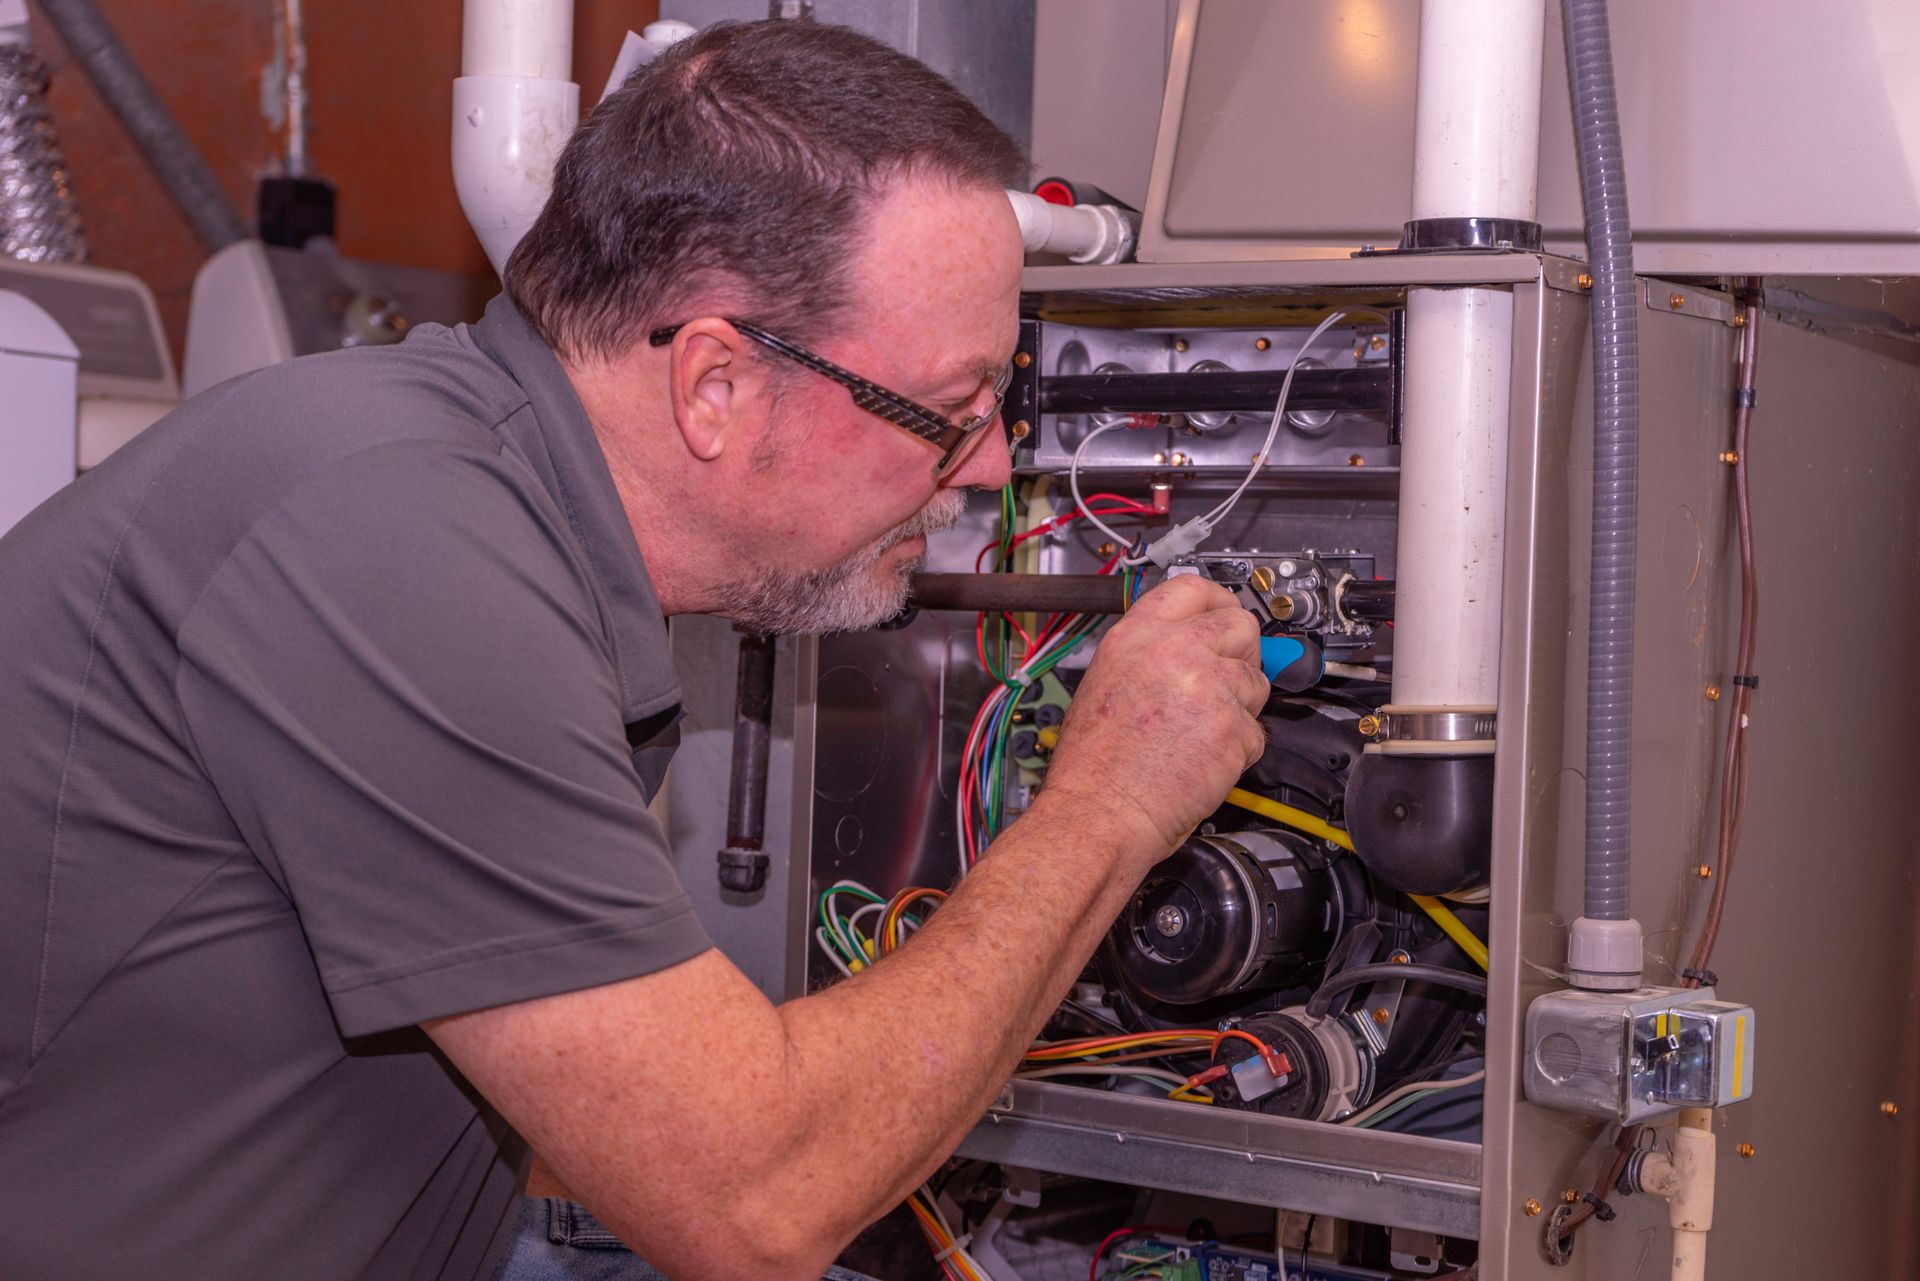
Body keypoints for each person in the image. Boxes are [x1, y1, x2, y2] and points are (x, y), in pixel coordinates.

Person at [0, 20, 1267, 1281]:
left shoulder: (494, 502)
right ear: (714, 383)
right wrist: (1108, 800)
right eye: (947, 413)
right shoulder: (399, 540)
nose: (988, 469)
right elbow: (754, 1206)